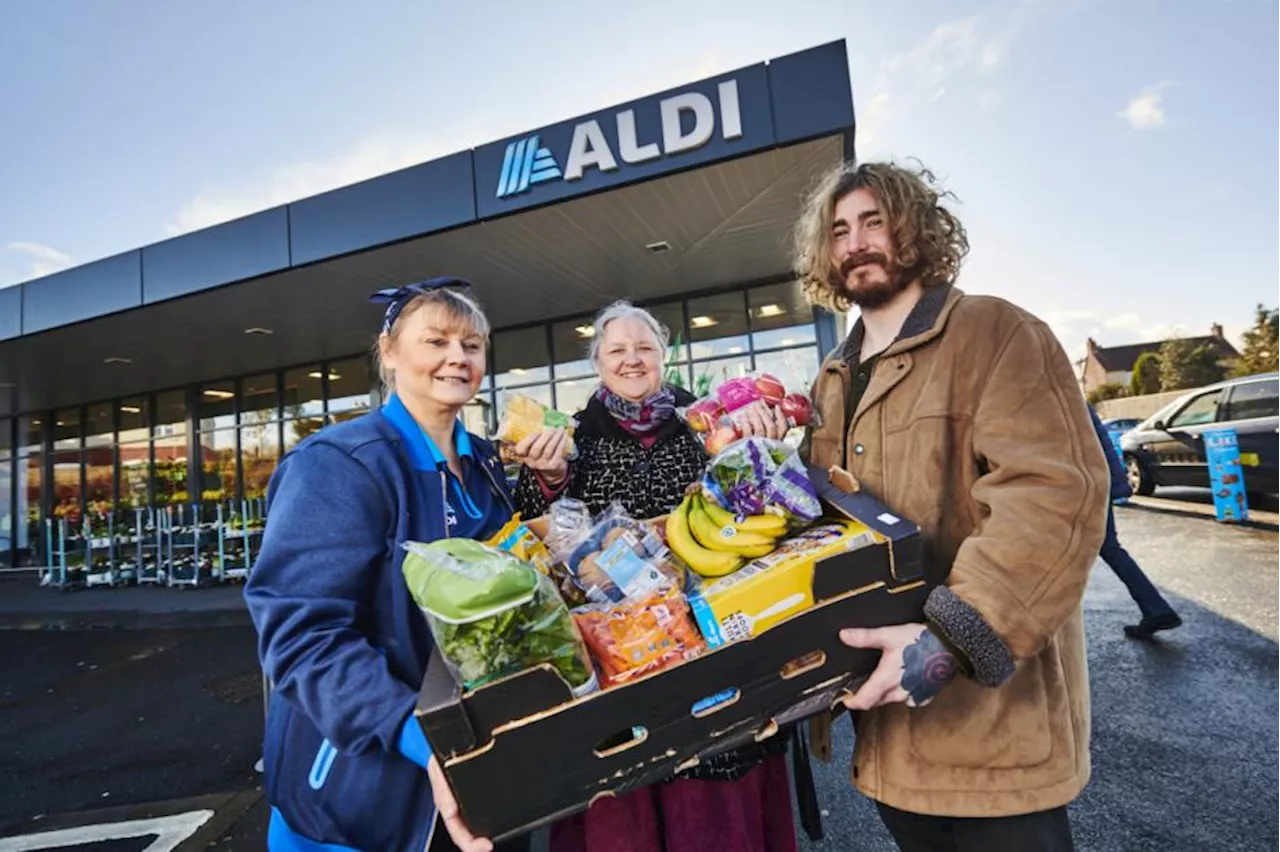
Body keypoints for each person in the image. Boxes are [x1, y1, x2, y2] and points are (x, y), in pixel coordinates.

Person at [794, 161, 1109, 851]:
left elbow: (1054, 498)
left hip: (993, 741)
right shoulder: (831, 377)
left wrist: (948, 643)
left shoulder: (995, 332)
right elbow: (828, 518)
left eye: (874, 222)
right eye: (840, 230)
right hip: (887, 738)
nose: (856, 242)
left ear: (915, 229)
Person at [244, 278, 523, 852]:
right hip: (363, 797)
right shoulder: (339, 465)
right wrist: (421, 738)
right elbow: (303, 636)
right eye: (436, 341)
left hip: (480, 768)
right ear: (390, 352)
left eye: (471, 345)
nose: (456, 358)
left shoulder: (488, 465)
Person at [514, 300, 797, 852]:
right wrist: (548, 478)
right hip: (616, 646)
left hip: (708, 634)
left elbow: (760, 506)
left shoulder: (707, 422)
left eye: (644, 347)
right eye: (616, 349)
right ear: (597, 362)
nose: (632, 360)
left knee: (713, 779)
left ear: (663, 356)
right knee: (625, 789)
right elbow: (535, 532)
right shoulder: (570, 436)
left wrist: (760, 450)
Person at [1087, 404, 1183, 638]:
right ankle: (1156, 608)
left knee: (1065, 552)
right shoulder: (1074, 397)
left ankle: (1156, 609)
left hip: (1084, 486)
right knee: (1110, 548)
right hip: (1096, 483)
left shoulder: (1060, 395)